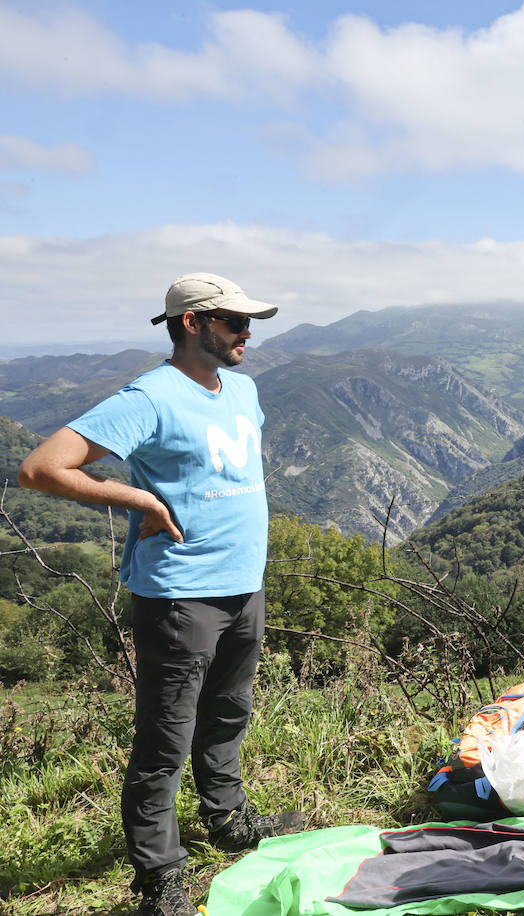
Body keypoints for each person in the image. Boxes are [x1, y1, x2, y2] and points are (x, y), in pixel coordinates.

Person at [18, 273, 302, 916]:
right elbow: (40, 468)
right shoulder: (149, 397)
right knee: (165, 739)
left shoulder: (245, 388)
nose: (247, 333)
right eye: (234, 322)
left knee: (228, 714)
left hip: (243, 586)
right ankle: (158, 875)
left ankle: (228, 822)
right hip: (180, 595)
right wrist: (137, 496)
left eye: (248, 322)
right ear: (193, 323)